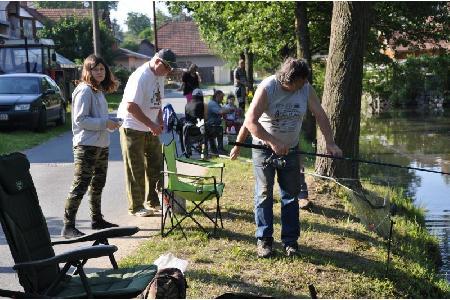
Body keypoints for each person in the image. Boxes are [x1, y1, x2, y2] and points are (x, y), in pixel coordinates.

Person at [241, 57, 342, 258]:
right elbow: (250, 121)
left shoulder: (305, 89)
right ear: (289, 79)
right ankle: (264, 240)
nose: (304, 85)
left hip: (291, 149)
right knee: (264, 193)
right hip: (263, 148)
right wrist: (273, 142)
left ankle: (290, 242)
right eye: (301, 81)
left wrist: (330, 142)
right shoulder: (268, 87)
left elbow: (320, 115)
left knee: (290, 195)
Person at [62, 54, 120, 239]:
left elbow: (98, 119)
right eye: (96, 69)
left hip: (101, 145)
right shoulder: (84, 90)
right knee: (80, 185)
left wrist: (111, 121)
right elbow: (80, 120)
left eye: (102, 69)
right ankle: (68, 226)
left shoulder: (97, 90)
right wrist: (105, 122)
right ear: (88, 71)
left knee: (98, 183)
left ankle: (96, 219)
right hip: (86, 146)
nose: (100, 72)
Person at [117, 49, 176, 217]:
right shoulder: (140, 76)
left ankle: (153, 201)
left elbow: (158, 101)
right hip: (132, 127)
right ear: (158, 62)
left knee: (156, 165)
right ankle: (136, 207)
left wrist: (160, 119)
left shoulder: (160, 75)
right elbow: (131, 106)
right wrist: (151, 124)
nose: (169, 72)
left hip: (150, 127)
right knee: (135, 168)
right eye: (167, 68)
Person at [206, 89, 234, 155]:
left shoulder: (215, 103)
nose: (222, 99)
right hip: (211, 126)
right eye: (221, 97)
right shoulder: (213, 104)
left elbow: (221, 111)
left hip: (212, 125)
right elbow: (220, 111)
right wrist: (230, 110)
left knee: (220, 127)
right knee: (219, 129)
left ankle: (214, 149)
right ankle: (220, 149)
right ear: (217, 96)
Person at [183, 88, 208, 157]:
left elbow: (186, 117)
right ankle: (205, 150)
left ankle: (189, 150)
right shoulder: (203, 104)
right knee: (207, 126)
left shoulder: (187, 105)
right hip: (198, 130)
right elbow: (205, 118)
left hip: (188, 131)